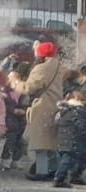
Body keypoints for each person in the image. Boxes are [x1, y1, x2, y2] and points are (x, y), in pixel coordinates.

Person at [18, 41, 65, 180]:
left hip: (42, 107)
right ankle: (54, 170)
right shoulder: (58, 66)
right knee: (51, 142)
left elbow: (29, 88)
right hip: (55, 106)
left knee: (41, 143)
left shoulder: (41, 69)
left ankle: (42, 172)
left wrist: (15, 82)